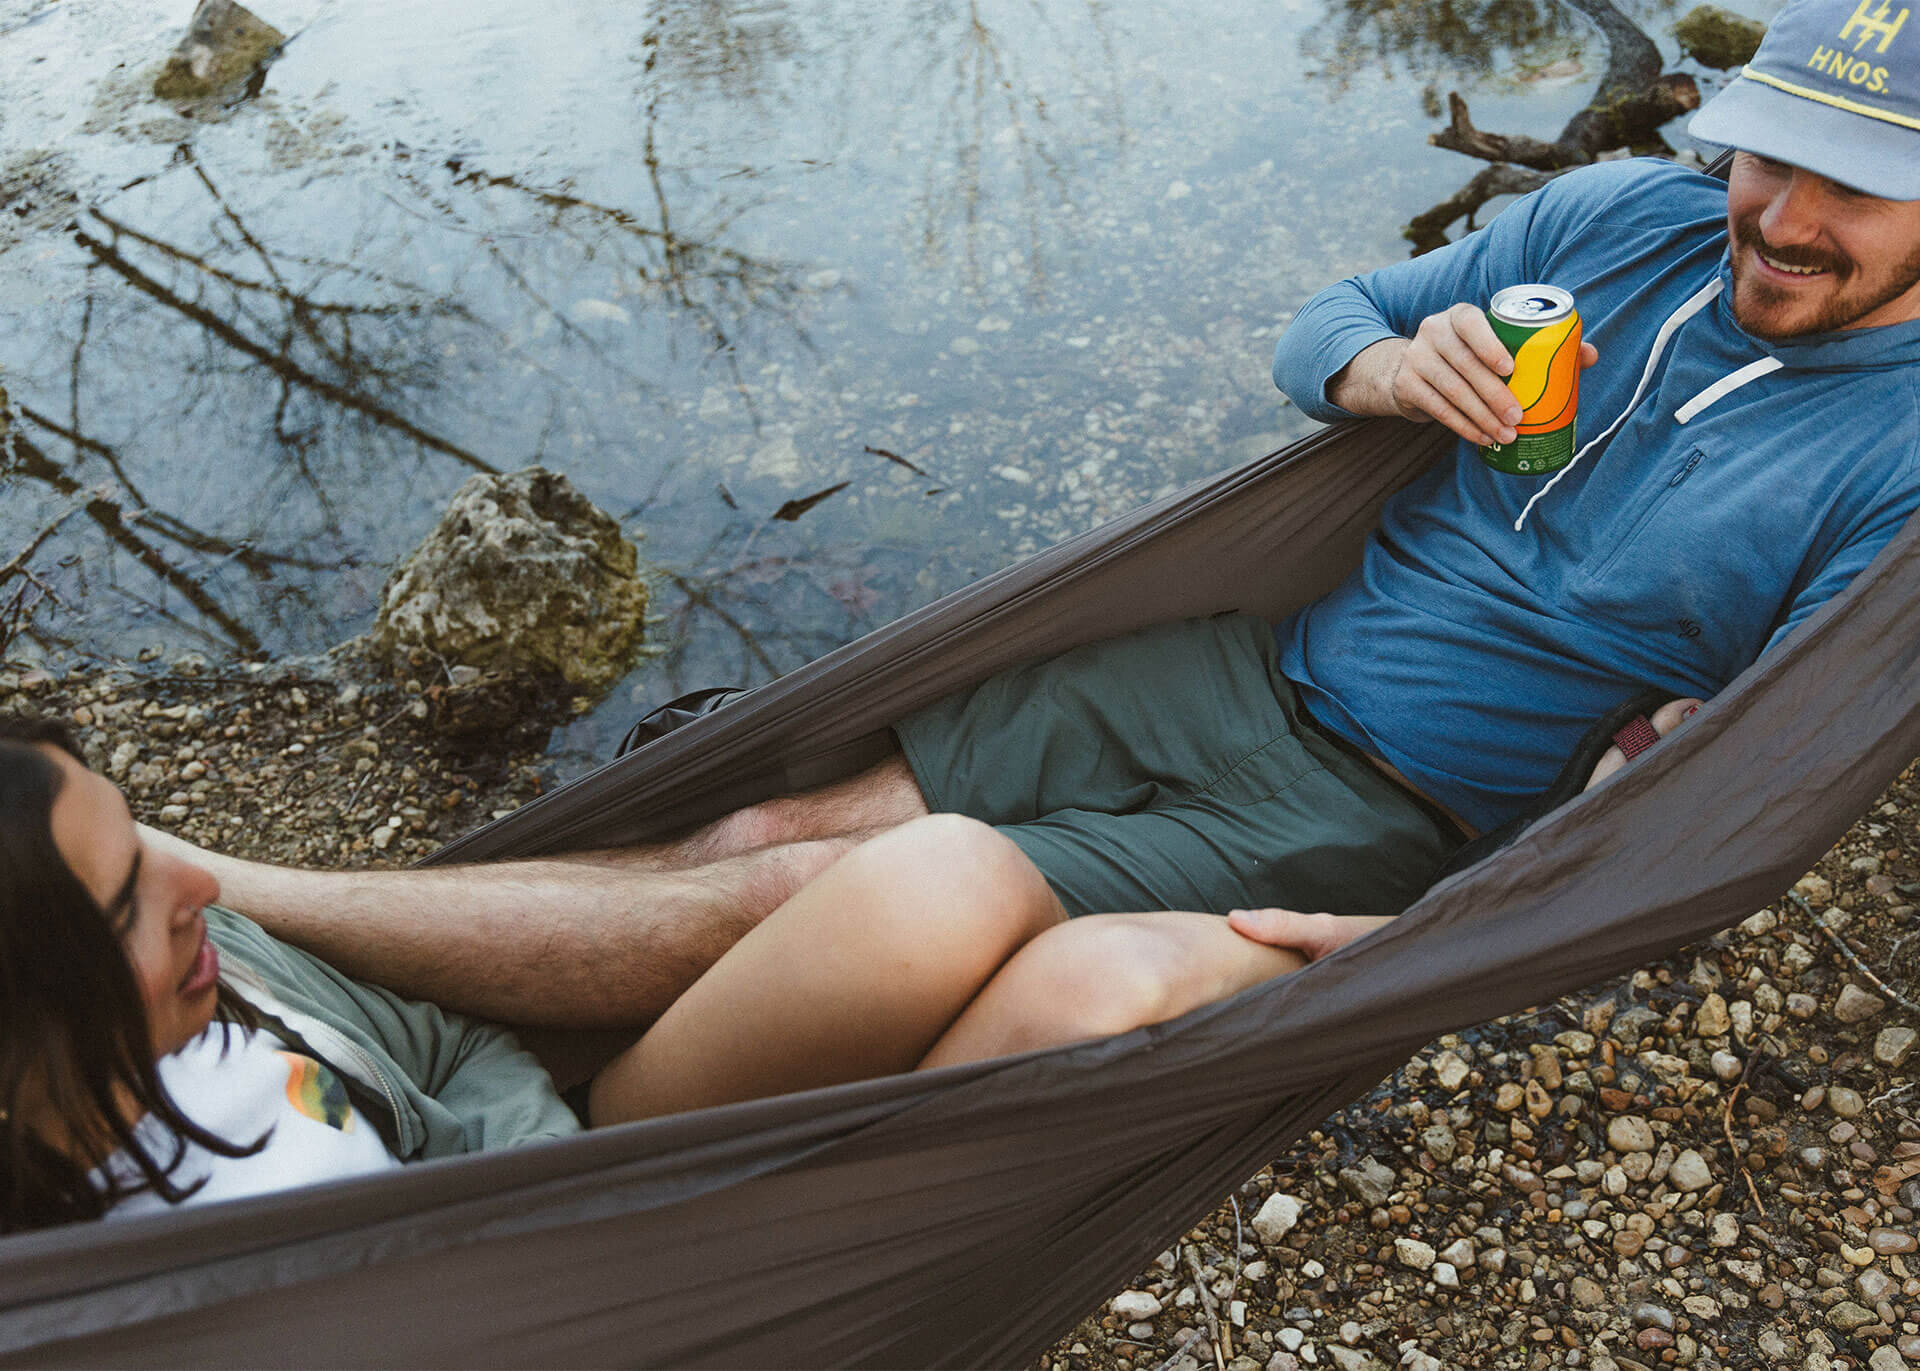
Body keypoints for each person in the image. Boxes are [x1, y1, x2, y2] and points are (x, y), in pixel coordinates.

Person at [215, 0, 1913, 1039]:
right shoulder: (1631, 216)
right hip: (1246, 663)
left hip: (1392, 815)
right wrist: (1393, 369)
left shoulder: (1899, 481)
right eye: (1772, 154)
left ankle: (256, 919)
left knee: (798, 907)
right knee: (756, 834)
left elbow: (1726, 800)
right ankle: (406, 1006)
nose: (1782, 216)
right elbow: (1317, 320)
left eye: (1856, 185)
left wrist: (1447, 947)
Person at [1, 714, 1331, 1231]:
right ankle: (1422, 957)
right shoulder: (90, 1298)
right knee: (1106, 997)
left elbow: (456, 1053)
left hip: (580, 1193)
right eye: (131, 896)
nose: (200, 885)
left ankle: (1427, 954)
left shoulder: (225, 978)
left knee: (952, 875)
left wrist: (566, 1181)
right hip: (644, 1320)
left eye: (150, 841)